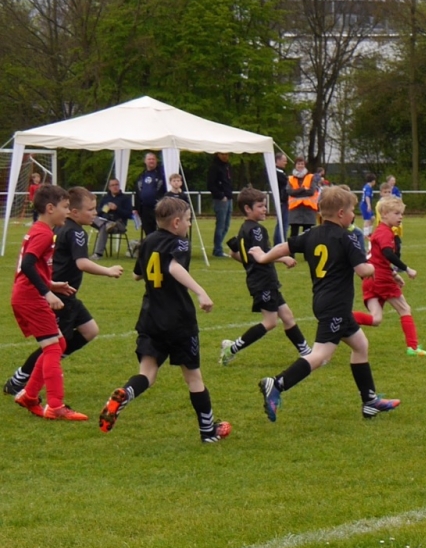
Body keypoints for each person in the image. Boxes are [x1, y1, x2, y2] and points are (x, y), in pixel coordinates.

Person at [250, 186, 400, 422]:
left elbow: (283, 247)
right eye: (351, 211)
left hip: (324, 301)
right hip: (335, 305)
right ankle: (277, 383)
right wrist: (373, 267)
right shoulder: (347, 236)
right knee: (320, 355)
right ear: (341, 213)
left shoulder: (312, 234)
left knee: (360, 345)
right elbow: (362, 270)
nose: (353, 215)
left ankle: (370, 401)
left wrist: (262, 257)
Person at [98, 197, 231, 443]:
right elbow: (172, 267)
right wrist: (200, 292)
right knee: (193, 378)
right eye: (188, 220)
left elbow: (137, 275)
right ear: (176, 222)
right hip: (179, 320)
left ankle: (126, 393)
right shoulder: (179, 242)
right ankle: (208, 432)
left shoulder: (148, 241)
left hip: (150, 317)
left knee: (147, 373)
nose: (189, 225)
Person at [5, 186, 124, 399]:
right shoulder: (75, 232)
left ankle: (40, 372)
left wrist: (51, 285)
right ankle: (21, 380)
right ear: (73, 212)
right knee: (54, 345)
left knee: (89, 330)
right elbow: (80, 263)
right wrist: (108, 271)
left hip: (63, 291)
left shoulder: (56, 228)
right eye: (90, 209)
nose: (95, 213)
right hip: (57, 298)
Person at [8, 184, 88, 420]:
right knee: (53, 347)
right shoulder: (43, 233)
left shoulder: (40, 230)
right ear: (50, 208)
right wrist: (46, 293)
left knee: (59, 343)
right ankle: (55, 406)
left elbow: (30, 267)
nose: (68, 211)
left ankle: (29, 396)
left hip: (29, 293)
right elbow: (28, 264)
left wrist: (51, 285)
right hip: (30, 297)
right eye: (65, 207)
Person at [218, 187, 312, 366]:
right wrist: (283, 258)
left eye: (265, 205)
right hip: (263, 281)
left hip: (263, 279)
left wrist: (250, 263)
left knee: (287, 316)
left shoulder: (244, 228)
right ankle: (231, 349)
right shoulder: (257, 230)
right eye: (260, 206)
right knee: (270, 322)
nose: (265, 209)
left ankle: (306, 352)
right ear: (248, 208)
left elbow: (233, 253)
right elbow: (263, 255)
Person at [352, 195, 426, 356]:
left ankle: (343, 319)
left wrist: (394, 274)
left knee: (376, 319)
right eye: (396, 213)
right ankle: (413, 347)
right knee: (405, 309)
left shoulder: (379, 231)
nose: (400, 217)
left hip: (370, 278)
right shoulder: (385, 232)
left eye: (401, 213)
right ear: (384, 214)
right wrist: (406, 269)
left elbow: (378, 258)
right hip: (381, 279)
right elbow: (388, 253)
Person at [93, 178, 133, 258]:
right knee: (92, 218)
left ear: (119, 186)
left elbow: (129, 214)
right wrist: (105, 208)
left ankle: (98, 254)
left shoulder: (125, 198)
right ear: (109, 187)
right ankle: (106, 224)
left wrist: (116, 209)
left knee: (104, 227)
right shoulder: (105, 198)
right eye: (112, 185)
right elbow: (98, 212)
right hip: (104, 221)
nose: (115, 187)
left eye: (116, 185)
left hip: (118, 224)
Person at [133, 152, 166, 235]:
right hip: (144, 209)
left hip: (158, 208)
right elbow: (137, 192)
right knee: (148, 232)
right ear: (145, 161)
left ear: (156, 161)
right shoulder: (141, 176)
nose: (151, 161)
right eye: (149, 159)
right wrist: (135, 207)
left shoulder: (162, 174)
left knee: (161, 231)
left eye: (153, 159)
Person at [207, 152, 233, 257]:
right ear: (218, 154)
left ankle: (218, 247)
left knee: (226, 225)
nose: (225, 156)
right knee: (221, 225)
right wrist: (221, 195)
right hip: (221, 199)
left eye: (227, 154)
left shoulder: (227, 166)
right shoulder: (214, 167)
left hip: (229, 198)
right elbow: (210, 184)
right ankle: (218, 249)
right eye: (223, 154)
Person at [287, 157, 317, 237]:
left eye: (302, 164)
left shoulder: (311, 177)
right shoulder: (290, 178)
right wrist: (303, 189)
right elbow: (290, 192)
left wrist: (296, 191)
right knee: (294, 234)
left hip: (308, 210)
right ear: (295, 165)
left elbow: (311, 191)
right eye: (298, 164)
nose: (300, 166)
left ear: (305, 165)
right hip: (295, 210)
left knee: (307, 234)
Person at [273, 152, 290, 244]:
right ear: (278, 160)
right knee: (283, 224)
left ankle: (279, 242)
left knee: (282, 224)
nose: (285, 163)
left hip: (283, 201)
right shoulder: (277, 173)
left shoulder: (280, 173)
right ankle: (279, 243)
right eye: (284, 161)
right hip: (282, 201)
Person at [360, 173, 377, 238]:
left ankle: (369, 233)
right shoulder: (368, 187)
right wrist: (369, 205)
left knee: (372, 218)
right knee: (367, 220)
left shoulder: (367, 187)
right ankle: (365, 234)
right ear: (373, 181)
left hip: (366, 204)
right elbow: (367, 196)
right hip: (365, 205)